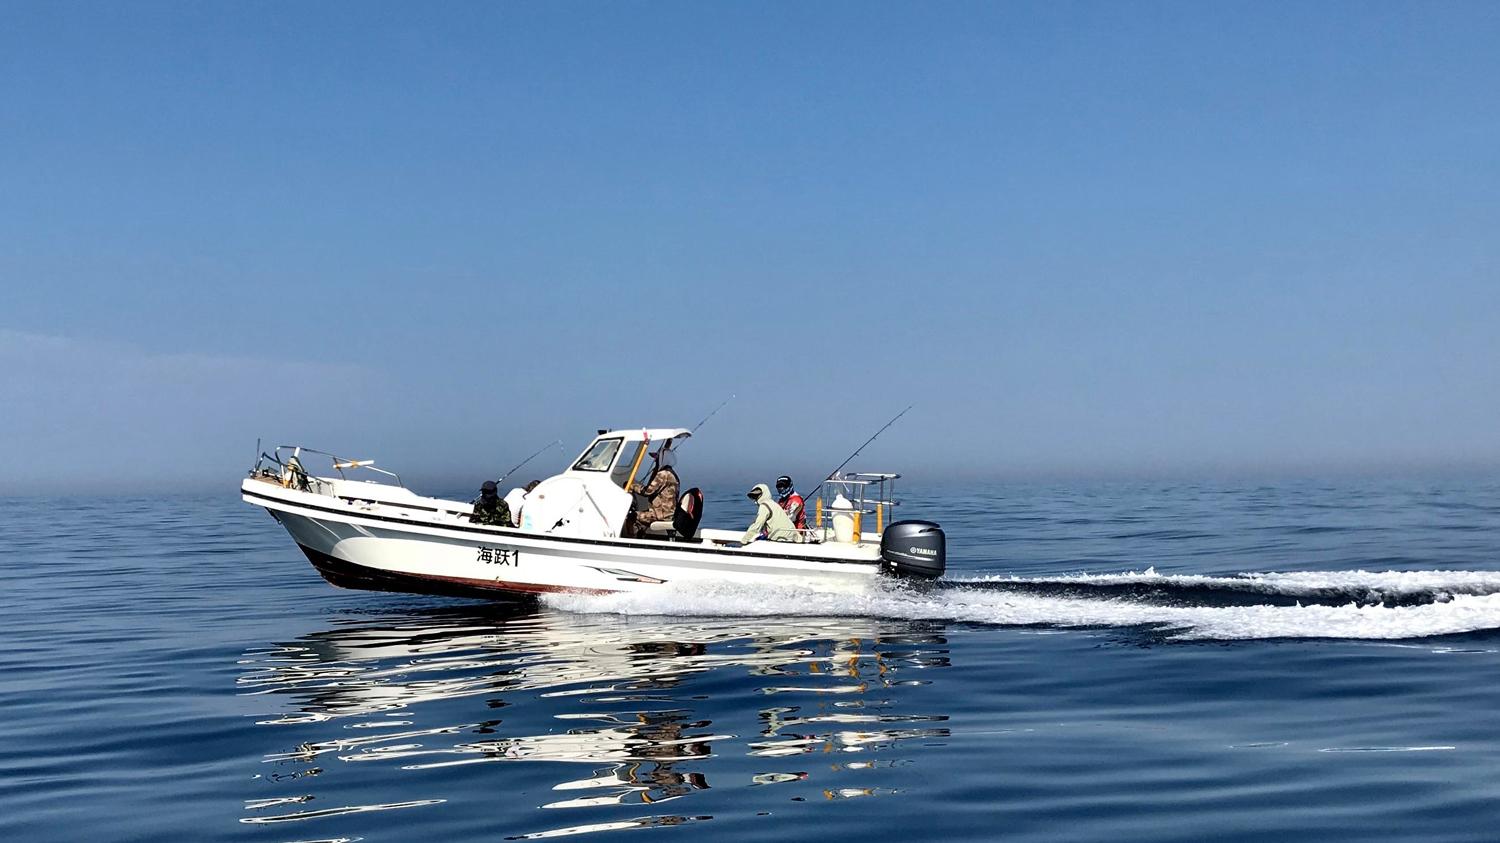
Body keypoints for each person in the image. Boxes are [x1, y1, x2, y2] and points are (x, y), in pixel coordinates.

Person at [631, 450, 679, 536]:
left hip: (662, 515)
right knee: (642, 518)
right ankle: (641, 538)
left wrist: (631, 486)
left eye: (657, 459)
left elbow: (647, 492)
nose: (655, 461)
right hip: (669, 513)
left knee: (631, 516)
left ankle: (630, 540)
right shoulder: (671, 473)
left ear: (662, 460)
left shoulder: (663, 474)